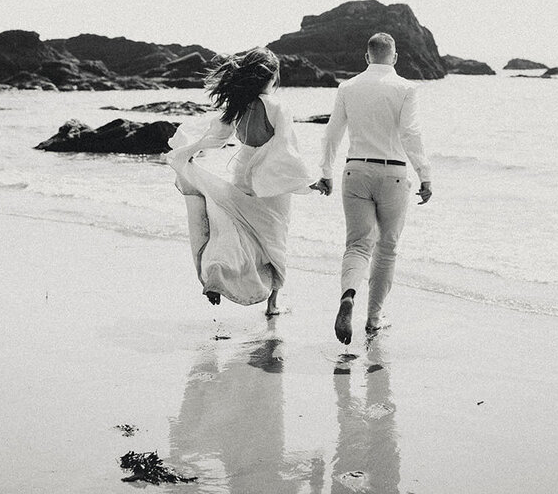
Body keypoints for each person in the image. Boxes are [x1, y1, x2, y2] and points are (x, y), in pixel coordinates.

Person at [165, 47, 315, 316]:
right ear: (270, 77)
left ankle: (218, 272)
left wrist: (188, 154)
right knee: (274, 241)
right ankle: (272, 304)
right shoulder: (277, 106)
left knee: (236, 233)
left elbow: (216, 138)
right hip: (271, 183)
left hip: (242, 174)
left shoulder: (237, 106)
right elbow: (285, 147)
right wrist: (304, 181)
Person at [313, 33, 432, 344]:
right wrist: (425, 174)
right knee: (387, 249)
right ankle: (374, 319)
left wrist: (326, 172)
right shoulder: (406, 88)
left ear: (367, 58)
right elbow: (410, 133)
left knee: (357, 245)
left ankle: (348, 295)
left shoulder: (347, 87)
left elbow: (331, 134)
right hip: (393, 173)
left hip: (355, 170)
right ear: (394, 58)